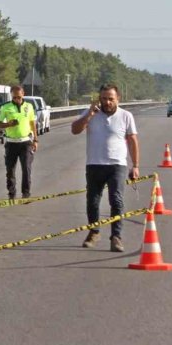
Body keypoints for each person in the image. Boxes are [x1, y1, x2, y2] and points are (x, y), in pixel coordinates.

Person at [71, 84, 139, 252]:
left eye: (111, 99)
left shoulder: (126, 116)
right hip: (94, 164)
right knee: (92, 201)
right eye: (104, 98)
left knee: (116, 200)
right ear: (98, 99)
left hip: (117, 165)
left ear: (118, 99)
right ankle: (94, 232)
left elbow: (132, 141)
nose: (107, 102)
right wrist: (89, 115)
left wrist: (135, 166)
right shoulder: (91, 113)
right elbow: (75, 130)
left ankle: (116, 237)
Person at [0, 85, 38, 199]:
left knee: (26, 169)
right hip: (11, 143)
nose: (17, 100)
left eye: (18, 97)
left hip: (26, 142)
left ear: (23, 94)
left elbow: (32, 124)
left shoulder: (29, 106)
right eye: (14, 97)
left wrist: (36, 140)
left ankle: (26, 193)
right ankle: (11, 193)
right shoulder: (5, 107)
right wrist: (8, 124)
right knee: (10, 170)